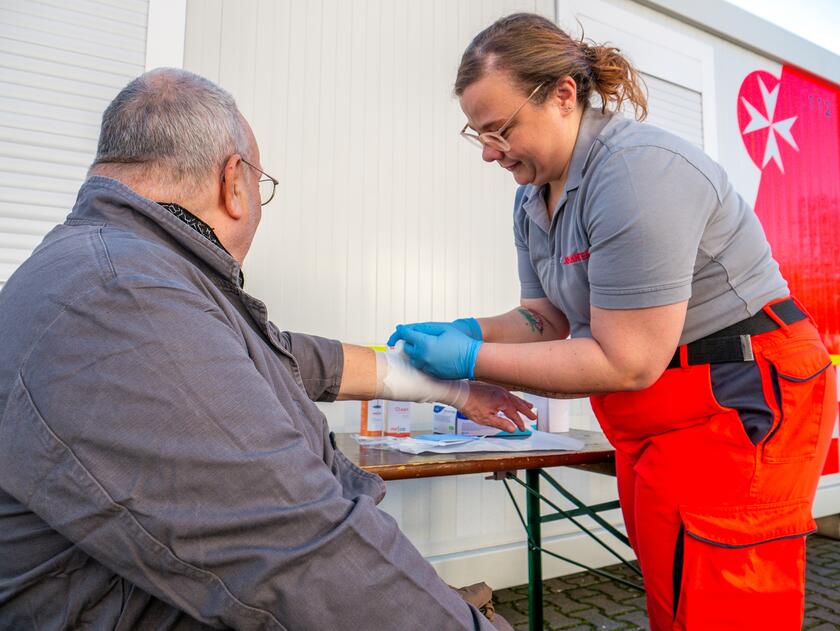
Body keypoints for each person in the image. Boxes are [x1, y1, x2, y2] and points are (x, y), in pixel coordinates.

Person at [0, 68, 530, 630]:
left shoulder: (121, 267)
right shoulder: (118, 297)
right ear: (234, 182)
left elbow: (280, 356)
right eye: (261, 187)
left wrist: (451, 388)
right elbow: (307, 554)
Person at [388, 13, 837, 631]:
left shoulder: (635, 172)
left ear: (563, 96)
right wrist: (473, 330)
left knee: (723, 599)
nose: (491, 152)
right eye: (478, 134)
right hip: (659, 403)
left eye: (500, 130)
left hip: (738, 392)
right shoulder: (532, 195)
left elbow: (625, 358)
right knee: (672, 589)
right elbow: (546, 316)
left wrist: (470, 363)